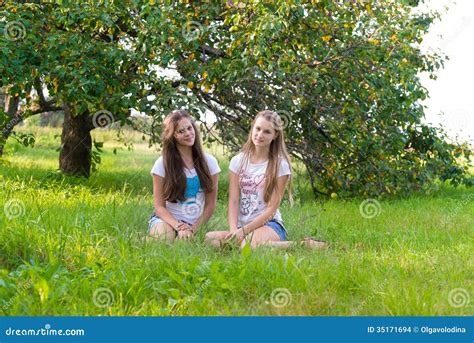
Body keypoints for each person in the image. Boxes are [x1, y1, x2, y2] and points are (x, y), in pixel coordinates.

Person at [205, 110, 327, 249]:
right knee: (210, 239)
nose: (260, 135)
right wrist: (234, 230)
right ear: (252, 128)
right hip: (241, 226)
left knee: (247, 245)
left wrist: (243, 232)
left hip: (270, 225)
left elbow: (271, 209)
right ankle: (260, 244)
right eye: (257, 129)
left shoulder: (280, 165)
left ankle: (302, 245)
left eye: (267, 132)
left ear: (275, 135)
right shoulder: (237, 161)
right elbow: (233, 200)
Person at [148, 109, 220, 241]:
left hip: (195, 225)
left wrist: (193, 229)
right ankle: (148, 238)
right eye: (181, 131)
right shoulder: (162, 164)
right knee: (164, 239)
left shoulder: (210, 162)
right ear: (172, 136)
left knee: (185, 243)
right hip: (167, 221)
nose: (188, 133)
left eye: (189, 128)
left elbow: (210, 205)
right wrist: (179, 227)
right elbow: (159, 206)